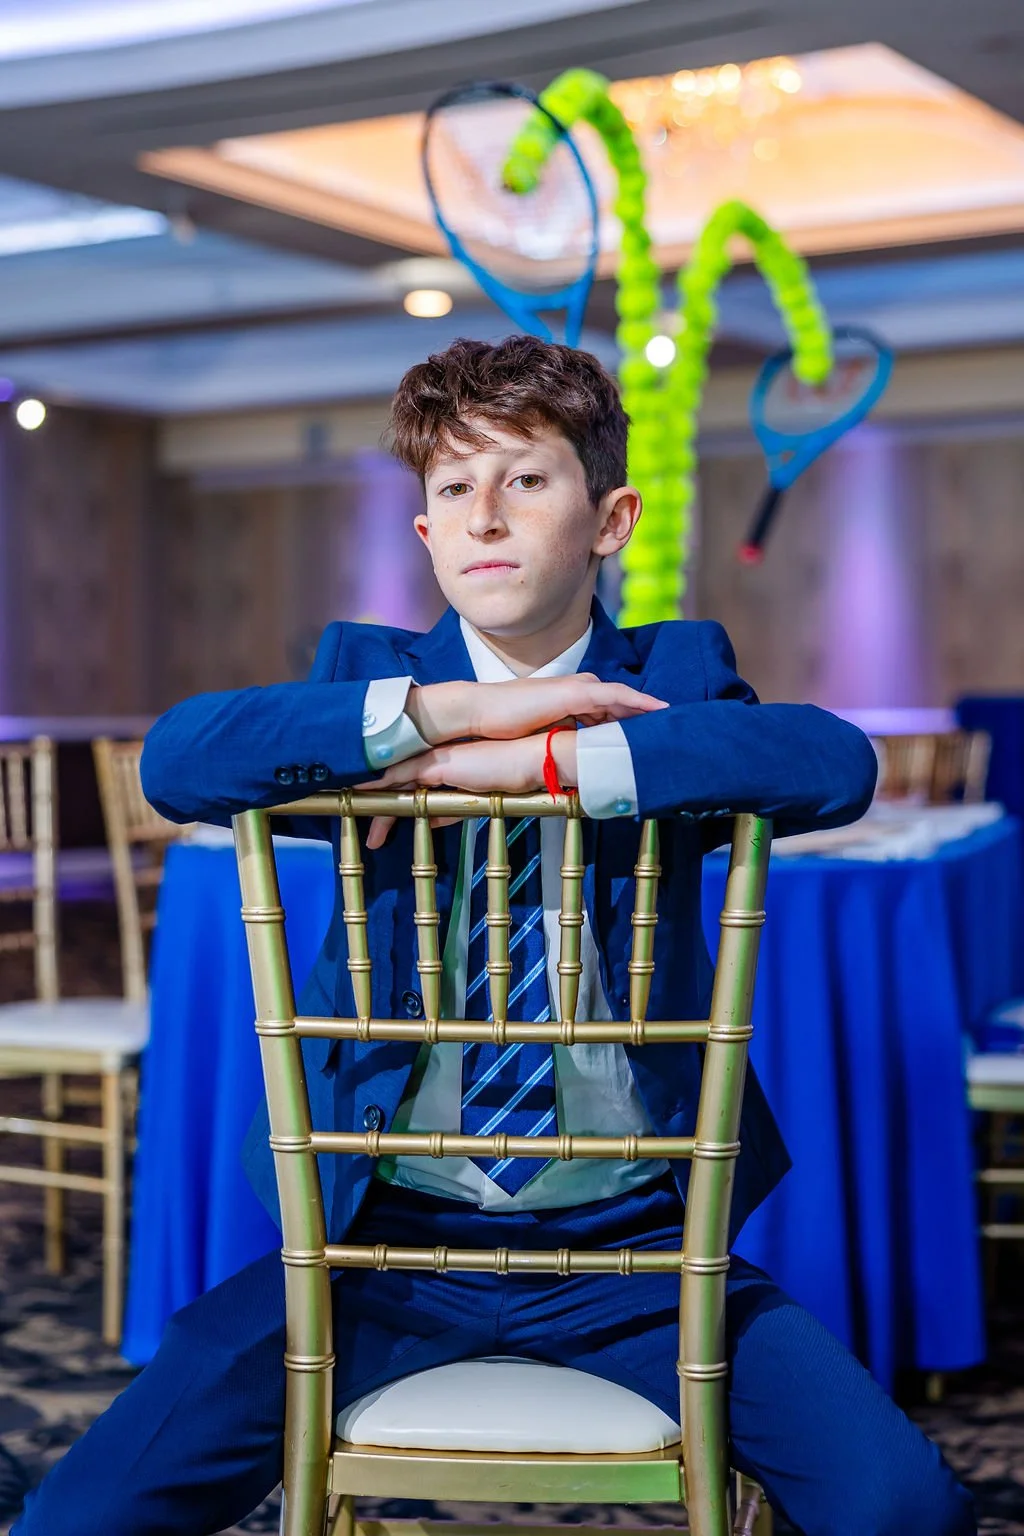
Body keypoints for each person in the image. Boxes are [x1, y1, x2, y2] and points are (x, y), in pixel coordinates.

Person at [14, 337, 973, 1536]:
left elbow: (830, 764)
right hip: (379, 1250)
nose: (485, 517)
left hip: (636, 1256)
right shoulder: (369, 677)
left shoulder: (672, 670)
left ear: (608, 517)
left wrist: (552, 757)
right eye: (453, 490)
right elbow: (178, 760)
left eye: (524, 480)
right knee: (78, 1521)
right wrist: (457, 716)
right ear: (425, 535)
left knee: (904, 1512)